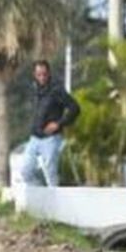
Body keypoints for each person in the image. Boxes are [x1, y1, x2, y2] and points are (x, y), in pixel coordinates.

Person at [21, 59, 80, 187]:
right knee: (25, 171)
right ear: (34, 75)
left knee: (50, 173)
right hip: (34, 138)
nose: (42, 77)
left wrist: (59, 123)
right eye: (39, 74)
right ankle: (40, 196)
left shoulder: (56, 90)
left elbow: (75, 108)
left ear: (49, 74)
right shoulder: (34, 90)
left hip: (51, 138)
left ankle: (54, 202)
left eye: (44, 74)